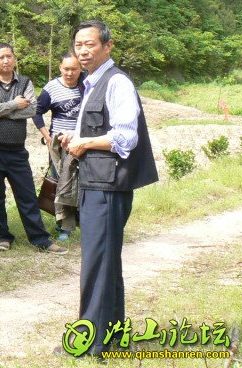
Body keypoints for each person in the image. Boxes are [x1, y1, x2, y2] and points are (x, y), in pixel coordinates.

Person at [61, 20, 158, 357]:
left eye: (90, 44)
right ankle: (114, 337)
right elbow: (98, 129)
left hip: (107, 185)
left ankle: (90, 344)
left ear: (108, 45)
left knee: (97, 263)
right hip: (96, 181)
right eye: (78, 45)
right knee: (106, 262)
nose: (83, 51)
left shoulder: (116, 83)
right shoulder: (92, 82)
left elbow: (126, 137)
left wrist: (85, 143)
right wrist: (75, 138)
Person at [0, 42, 66, 254]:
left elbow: (32, 110)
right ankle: (3, 236)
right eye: (1, 57)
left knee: (27, 196)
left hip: (17, 152)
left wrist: (0, 112)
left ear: (14, 58)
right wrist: (14, 105)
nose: (6, 60)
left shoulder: (25, 82)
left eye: (9, 56)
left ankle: (40, 239)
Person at [33, 52, 84, 240]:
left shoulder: (86, 85)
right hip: (60, 145)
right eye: (66, 69)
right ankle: (64, 227)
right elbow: (36, 112)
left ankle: (85, 222)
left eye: (74, 69)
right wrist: (47, 137)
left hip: (84, 142)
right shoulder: (52, 88)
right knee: (62, 184)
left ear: (80, 69)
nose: (70, 73)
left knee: (84, 183)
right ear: (60, 68)